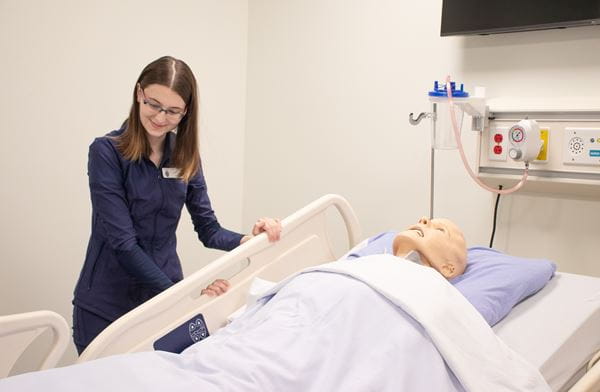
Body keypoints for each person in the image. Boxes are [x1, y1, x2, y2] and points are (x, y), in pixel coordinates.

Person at [72, 56, 282, 354]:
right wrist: (185, 295)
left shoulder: (185, 157)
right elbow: (123, 243)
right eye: (153, 104)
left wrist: (252, 240)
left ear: (186, 112)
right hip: (109, 303)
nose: (160, 118)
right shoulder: (107, 152)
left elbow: (209, 230)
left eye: (172, 111)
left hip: (167, 302)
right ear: (138, 93)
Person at [202, 216, 467, 296]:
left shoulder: (434, 297)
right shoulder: (359, 267)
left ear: (447, 268)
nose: (422, 220)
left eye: (439, 228)